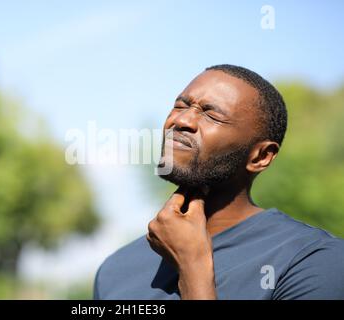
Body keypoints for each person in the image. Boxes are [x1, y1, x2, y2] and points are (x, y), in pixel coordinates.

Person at [93, 64, 344, 300]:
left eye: (211, 116)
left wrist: (193, 266)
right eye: (181, 106)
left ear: (260, 156)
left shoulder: (312, 260)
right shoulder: (115, 270)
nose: (181, 121)